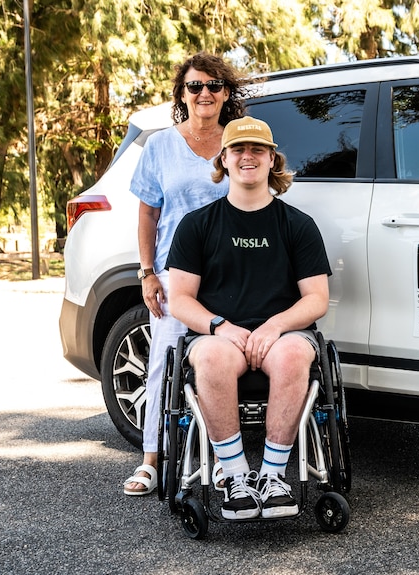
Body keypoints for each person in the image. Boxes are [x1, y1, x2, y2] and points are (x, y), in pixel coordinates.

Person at [166, 116, 331, 520]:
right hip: (222, 337)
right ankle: (237, 477)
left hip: (283, 337)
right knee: (211, 357)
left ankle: (273, 478)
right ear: (224, 158)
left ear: (272, 159)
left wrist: (274, 325)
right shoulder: (197, 225)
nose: (247, 157)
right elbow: (181, 300)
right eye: (238, 149)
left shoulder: (298, 225)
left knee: (295, 354)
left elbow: (316, 299)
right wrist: (220, 326)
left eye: (257, 149)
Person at [123, 52, 247, 496]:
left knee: (221, 364)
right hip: (176, 275)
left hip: (230, 275)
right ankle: (151, 460)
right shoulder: (160, 146)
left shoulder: (238, 143)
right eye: (194, 86)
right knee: (164, 364)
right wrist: (147, 272)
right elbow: (147, 214)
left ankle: (219, 458)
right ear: (182, 94)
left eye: (214, 86)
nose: (204, 94)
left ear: (226, 94)